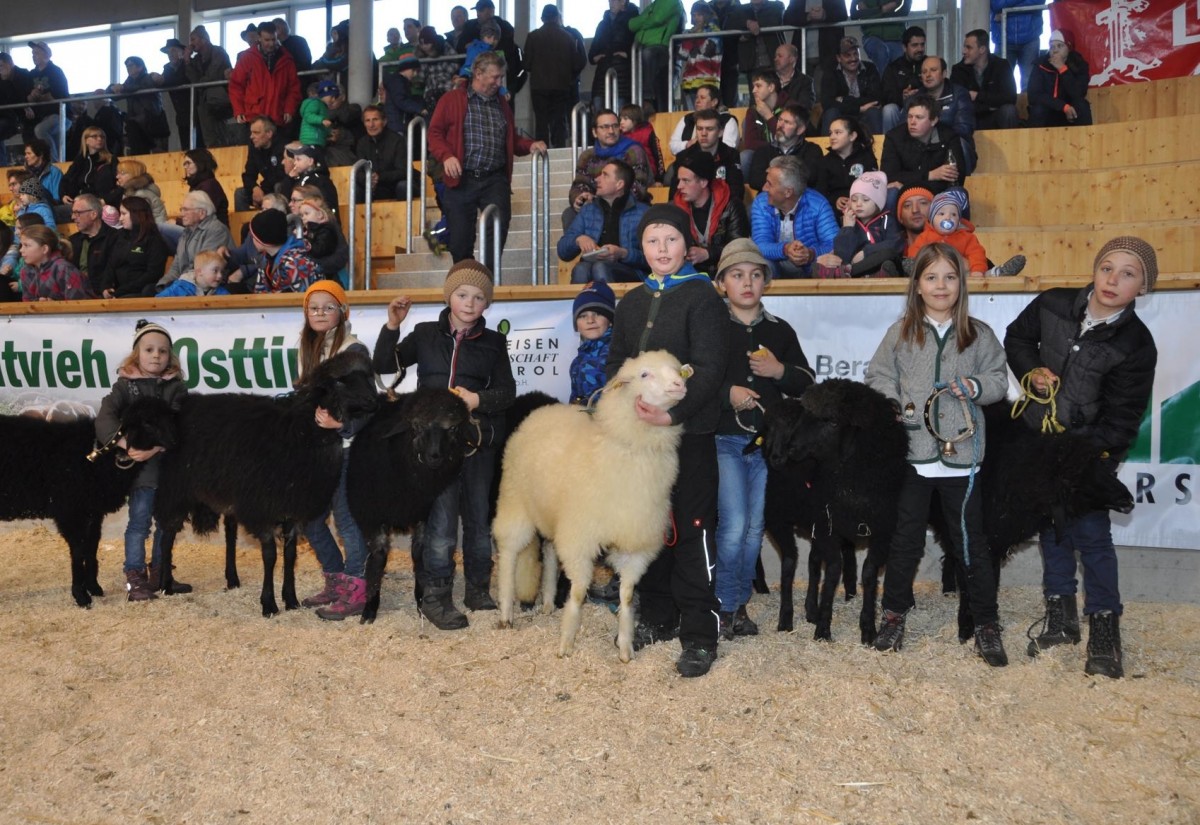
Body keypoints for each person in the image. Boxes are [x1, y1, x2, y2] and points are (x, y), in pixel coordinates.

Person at [1005, 237, 1158, 678]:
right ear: (1094, 269)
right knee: (1052, 530)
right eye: (1107, 267)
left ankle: (1105, 629)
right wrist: (1031, 371)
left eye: (1128, 274)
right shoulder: (1053, 302)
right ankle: (1061, 617)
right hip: (1040, 442)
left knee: (1092, 538)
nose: (1113, 279)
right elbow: (1017, 337)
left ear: (1143, 287)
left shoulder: (1137, 344)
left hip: (1088, 454)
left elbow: (1123, 417)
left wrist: (1087, 463)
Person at [865, 242, 1009, 667]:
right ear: (917, 285)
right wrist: (893, 404)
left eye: (949, 277)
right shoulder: (901, 332)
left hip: (963, 457)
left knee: (970, 542)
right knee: (905, 541)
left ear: (961, 284)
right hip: (915, 455)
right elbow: (879, 374)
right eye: (931, 277)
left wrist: (976, 387)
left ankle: (986, 623)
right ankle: (894, 615)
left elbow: (999, 380)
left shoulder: (979, 334)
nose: (941, 285)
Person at [605, 203, 730, 678]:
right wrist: (622, 412)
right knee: (647, 525)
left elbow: (711, 367)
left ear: (686, 245)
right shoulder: (631, 302)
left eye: (671, 239)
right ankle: (658, 615)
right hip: (640, 443)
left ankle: (700, 633)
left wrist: (672, 413)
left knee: (693, 528)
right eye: (652, 241)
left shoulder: (702, 297)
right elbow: (617, 364)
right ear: (640, 247)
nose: (662, 249)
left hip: (688, 435)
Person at [371, 261, 516, 629]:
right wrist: (392, 325)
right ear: (449, 296)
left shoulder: (494, 343)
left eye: (479, 298)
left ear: (487, 304)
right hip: (435, 448)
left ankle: (478, 588)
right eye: (462, 294)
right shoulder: (423, 333)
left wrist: (477, 400)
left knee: (479, 518)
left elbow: (507, 392)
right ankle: (436, 596)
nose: (469, 303)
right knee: (442, 522)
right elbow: (384, 364)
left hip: (476, 443)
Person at [713, 238, 813, 638]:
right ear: (722, 283)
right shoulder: (712, 327)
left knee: (755, 528)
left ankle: (737, 606)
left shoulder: (779, 330)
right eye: (737, 275)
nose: (747, 283)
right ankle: (723, 606)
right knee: (735, 524)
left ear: (766, 282)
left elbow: (806, 382)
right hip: (723, 440)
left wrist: (778, 372)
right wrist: (727, 394)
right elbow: (692, 378)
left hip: (769, 447)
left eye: (755, 275)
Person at [293, 280, 376, 619]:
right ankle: (336, 579)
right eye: (313, 308)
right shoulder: (305, 349)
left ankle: (358, 589)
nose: (320, 313)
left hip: (347, 447)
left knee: (346, 520)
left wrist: (341, 425)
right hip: (316, 449)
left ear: (343, 312)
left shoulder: (354, 351)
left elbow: (368, 405)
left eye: (329, 307)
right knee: (310, 518)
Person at [95, 320, 190, 600]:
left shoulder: (176, 388)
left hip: (170, 469)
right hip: (141, 473)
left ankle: (161, 572)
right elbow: (104, 418)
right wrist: (126, 444)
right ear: (137, 354)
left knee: (167, 522)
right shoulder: (125, 387)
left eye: (162, 351)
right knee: (139, 523)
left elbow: (181, 423)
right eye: (149, 350)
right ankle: (135, 577)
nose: (156, 356)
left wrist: (156, 447)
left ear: (170, 356)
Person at [429, 51, 547, 263]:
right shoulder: (451, 99)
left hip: (494, 178)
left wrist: (530, 145)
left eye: (501, 77)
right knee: (460, 240)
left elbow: (511, 140)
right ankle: (466, 277)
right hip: (461, 177)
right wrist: (447, 156)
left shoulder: (502, 104)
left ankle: (489, 275)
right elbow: (434, 134)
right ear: (478, 73)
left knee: (498, 227)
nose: (499, 83)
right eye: (495, 77)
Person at [558, 159, 649, 284]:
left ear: (619, 184)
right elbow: (562, 252)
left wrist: (623, 254)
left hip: (631, 272)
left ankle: (605, 297)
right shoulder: (588, 210)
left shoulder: (643, 213)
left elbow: (652, 258)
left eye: (605, 175)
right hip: (591, 267)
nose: (597, 179)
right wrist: (578, 239)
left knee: (600, 267)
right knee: (581, 269)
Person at [749, 154, 839, 278]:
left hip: (811, 268)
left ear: (788, 192)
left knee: (830, 263)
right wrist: (786, 249)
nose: (764, 188)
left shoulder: (818, 205)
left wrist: (811, 254)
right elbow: (760, 245)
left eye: (769, 184)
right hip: (775, 265)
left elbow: (835, 244)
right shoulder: (761, 202)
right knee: (761, 266)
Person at [906, 187, 1026, 277]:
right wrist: (915, 265)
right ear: (931, 220)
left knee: (982, 276)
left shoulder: (967, 237)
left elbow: (976, 254)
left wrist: (977, 270)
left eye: (953, 215)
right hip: (934, 276)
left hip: (963, 277)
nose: (948, 217)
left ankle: (998, 274)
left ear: (959, 222)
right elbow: (915, 253)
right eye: (941, 214)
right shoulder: (925, 237)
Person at [672, 150, 750, 278]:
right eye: (679, 180)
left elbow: (739, 247)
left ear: (703, 182)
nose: (679, 186)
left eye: (686, 181)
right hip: (689, 275)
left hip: (726, 272)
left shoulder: (731, 205)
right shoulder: (675, 208)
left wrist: (708, 253)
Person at [568, 109, 653, 222]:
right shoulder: (587, 156)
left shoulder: (633, 151)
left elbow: (638, 188)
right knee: (569, 214)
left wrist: (606, 203)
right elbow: (580, 184)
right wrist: (580, 197)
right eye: (605, 127)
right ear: (594, 132)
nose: (611, 131)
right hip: (596, 206)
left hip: (629, 206)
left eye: (615, 126)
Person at [816, 170, 903, 277]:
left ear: (878, 203)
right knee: (818, 264)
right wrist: (847, 228)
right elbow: (842, 256)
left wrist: (865, 252)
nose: (858, 204)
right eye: (854, 200)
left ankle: (848, 273)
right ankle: (848, 272)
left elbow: (896, 245)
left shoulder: (887, 220)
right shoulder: (849, 221)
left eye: (865, 200)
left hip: (878, 266)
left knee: (888, 255)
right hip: (856, 270)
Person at [881, 94, 967, 200]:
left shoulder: (949, 136)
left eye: (919, 117)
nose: (912, 122)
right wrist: (930, 175)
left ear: (933, 120)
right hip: (905, 195)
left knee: (958, 192)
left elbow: (955, 177)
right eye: (910, 116)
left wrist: (912, 185)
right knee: (891, 192)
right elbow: (889, 176)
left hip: (938, 196)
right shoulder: (894, 137)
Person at [524, 4, 587, 148]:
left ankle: (542, 151)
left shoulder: (533, 37)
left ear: (542, 18)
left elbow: (526, 64)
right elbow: (577, 63)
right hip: (562, 85)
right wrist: (570, 76)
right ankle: (559, 149)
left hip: (539, 86)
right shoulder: (568, 37)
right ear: (557, 17)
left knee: (541, 121)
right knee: (559, 121)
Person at [229, 20, 301, 144]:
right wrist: (238, 110)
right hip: (253, 116)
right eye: (267, 40)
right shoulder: (247, 58)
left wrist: (289, 109)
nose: (271, 43)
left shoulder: (287, 59)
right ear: (259, 38)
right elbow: (236, 85)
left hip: (277, 116)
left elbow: (293, 88)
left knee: (277, 152)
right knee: (254, 153)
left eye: (274, 39)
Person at [159, 191, 235, 289]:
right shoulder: (186, 232)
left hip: (208, 287)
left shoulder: (216, 230)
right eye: (182, 209)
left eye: (186, 210)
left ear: (202, 213)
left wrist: (177, 285)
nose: (181, 214)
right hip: (186, 282)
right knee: (152, 291)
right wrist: (163, 284)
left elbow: (202, 268)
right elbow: (176, 266)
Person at [234, 208, 320, 293]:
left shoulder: (297, 264)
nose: (251, 239)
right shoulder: (266, 259)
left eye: (253, 236)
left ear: (262, 241)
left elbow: (300, 298)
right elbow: (260, 291)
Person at [914, 56, 977, 174]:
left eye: (933, 70)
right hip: (923, 149)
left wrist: (935, 138)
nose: (928, 75)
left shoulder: (959, 94)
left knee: (960, 143)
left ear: (944, 74)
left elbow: (964, 128)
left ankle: (959, 182)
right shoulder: (915, 98)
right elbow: (903, 129)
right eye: (924, 72)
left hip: (951, 147)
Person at [99, 196, 170, 298]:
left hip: (139, 293)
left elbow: (153, 274)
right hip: (117, 292)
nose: (120, 219)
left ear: (136, 214)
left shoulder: (154, 240)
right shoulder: (118, 236)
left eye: (124, 214)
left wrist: (121, 291)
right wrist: (106, 286)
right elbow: (110, 265)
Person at [666, 108, 744, 201]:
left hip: (722, 205)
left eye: (709, 129)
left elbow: (736, 191)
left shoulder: (730, 155)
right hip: (690, 206)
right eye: (699, 129)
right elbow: (674, 194)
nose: (703, 133)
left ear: (720, 132)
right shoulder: (683, 156)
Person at [952, 29, 1018, 130]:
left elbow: (1010, 97)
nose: (964, 51)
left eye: (968, 47)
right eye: (964, 47)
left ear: (982, 49)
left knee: (1009, 110)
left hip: (995, 117)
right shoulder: (958, 70)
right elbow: (958, 101)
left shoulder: (1001, 65)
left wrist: (977, 96)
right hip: (972, 117)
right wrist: (988, 106)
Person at [747, 102, 822, 191]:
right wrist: (792, 174)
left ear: (800, 129)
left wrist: (772, 173)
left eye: (787, 122)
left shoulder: (812, 150)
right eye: (780, 120)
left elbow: (809, 179)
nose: (780, 125)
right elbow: (755, 180)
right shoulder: (763, 150)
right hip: (768, 198)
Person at [819, 37, 884, 136]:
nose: (853, 59)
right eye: (847, 55)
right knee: (830, 113)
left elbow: (876, 98)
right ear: (838, 58)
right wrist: (859, 108)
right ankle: (826, 145)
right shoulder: (831, 72)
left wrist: (843, 99)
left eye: (856, 54)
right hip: (842, 115)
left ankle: (877, 145)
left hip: (864, 114)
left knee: (873, 112)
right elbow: (827, 103)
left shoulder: (870, 68)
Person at [1028, 29, 1092, 128]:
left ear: (1069, 47)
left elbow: (1079, 94)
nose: (1055, 50)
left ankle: (1086, 138)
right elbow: (1034, 96)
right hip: (1050, 111)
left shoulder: (1079, 64)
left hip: (1070, 113)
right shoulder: (1040, 65)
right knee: (1038, 110)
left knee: (1082, 105)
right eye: (1052, 47)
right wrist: (1062, 106)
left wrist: (1063, 69)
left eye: (1060, 46)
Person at [183, 26, 235, 148]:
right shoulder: (197, 59)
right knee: (210, 135)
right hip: (206, 101)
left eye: (193, 39)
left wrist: (200, 83)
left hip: (222, 97)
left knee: (221, 133)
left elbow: (214, 75)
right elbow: (193, 80)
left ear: (204, 39)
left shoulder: (218, 51)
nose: (191, 44)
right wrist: (187, 61)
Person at [814, 116, 879, 212]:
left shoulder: (866, 157)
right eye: (830, 133)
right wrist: (835, 201)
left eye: (838, 132)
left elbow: (874, 187)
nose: (832, 137)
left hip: (863, 207)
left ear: (852, 136)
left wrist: (855, 200)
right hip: (834, 211)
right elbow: (821, 192)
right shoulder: (825, 161)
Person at [629, 0, 685, 113]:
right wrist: (650, 21)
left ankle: (648, 99)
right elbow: (631, 24)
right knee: (653, 76)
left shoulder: (672, 2)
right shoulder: (653, 5)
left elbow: (657, 19)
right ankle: (648, 102)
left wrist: (644, 23)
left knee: (660, 80)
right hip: (646, 46)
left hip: (662, 46)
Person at [568, 280, 617, 405]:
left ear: (610, 320)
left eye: (598, 314)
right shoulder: (577, 361)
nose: (590, 320)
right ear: (576, 324)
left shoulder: (617, 352)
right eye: (582, 316)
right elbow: (574, 400)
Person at [19, 225, 94, 301]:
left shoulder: (64, 269)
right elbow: (27, 302)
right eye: (21, 245)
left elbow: (78, 303)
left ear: (44, 249)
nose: (21, 250)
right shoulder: (25, 271)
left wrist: (55, 305)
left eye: (26, 245)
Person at [111, 56, 168, 155]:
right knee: (138, 155)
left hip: (153, 123)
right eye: (127, 66)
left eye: (131, 65)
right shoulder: (128, 82)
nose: (128, 68)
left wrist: (123, 88)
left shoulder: (148, 77)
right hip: (137, 125)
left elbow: (144, 86)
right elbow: (115, 95)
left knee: (158, 155)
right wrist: (112, 88)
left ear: (140, 67)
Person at [24, 41, 70, 162]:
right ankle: (56, 164)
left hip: (60, 115)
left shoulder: (56, 72)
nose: (34, 56)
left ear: (47, 54)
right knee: (50, 139)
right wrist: (32, 95)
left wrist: (41, 96)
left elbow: (60, 95)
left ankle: (53, 162)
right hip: (42, 117)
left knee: (40, 130)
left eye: (37, 53)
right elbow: (27, 97)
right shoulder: (31, 74)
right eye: (33, 53)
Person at [588, 0, 638, 112]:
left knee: (620, 108)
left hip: (622, 72)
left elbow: (637, 43)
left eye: (614, 0)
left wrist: (627, 54)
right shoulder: (602, 24)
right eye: (610, 0)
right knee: (599, 107)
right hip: (602, 71)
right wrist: (595, 57)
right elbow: (592, 50)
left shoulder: (632, 21)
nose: (611, 3)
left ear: (623, 2)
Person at [355, 105, 409, 202]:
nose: (371, 125)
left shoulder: (397, 140)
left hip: (393, 186)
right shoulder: (362, 143)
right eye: (367, 121)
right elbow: (359, 172)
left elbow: (403, 171)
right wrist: (368, 178)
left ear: (384, 121)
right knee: (355, 190)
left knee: (403, 186)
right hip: (373, 187)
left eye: (375, 119)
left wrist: (379, 177)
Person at [60, 127, 118, 216]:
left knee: (55, 212)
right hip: (79, 201)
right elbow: (66, 179)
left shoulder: (111, 160)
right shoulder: (80, 160)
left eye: (102, 137)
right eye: (94, 136)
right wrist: (63, 195)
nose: (99, 139)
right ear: (86, 140)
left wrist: (106, 199)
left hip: (99, 202)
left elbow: (120, 185)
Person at [68, 193, 119, 293]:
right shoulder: (73, 240)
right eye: (73, 213)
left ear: (93, 214)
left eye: (77, 213)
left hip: (104, 295)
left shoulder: (115, 238)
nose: (73, 217)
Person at [667, 85, 739, 154]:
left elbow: (729, 149)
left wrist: (704, 147)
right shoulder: (687, 119)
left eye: (702, 98)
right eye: (697, 97)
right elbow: (673, 146)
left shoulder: (727, 121)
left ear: (714, 102)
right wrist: (687, 144)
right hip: (687, 160)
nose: (697, 101)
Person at [880, 27, 927, 133]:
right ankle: (889, 141)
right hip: (900, 108)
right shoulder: (893, 67)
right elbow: (885, 96)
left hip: (924, 107)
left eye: (922, 44)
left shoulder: (929, 64)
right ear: (904, 47)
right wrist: (902, 97)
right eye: (915, 45)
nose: (920, 49)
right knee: (889, 109)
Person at [235, 117, 288, 211]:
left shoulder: (283, 146)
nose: (251, 136)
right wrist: (254, 188)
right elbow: (248, 175)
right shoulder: (254, 148)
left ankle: (280, 217)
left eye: (256, 133)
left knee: (279, 186)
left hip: (279, 187)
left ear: (269, 134)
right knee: (240, 194)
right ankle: (246, 221)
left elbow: (280, 176)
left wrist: (262, 193)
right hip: (265, 188)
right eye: (251, 132)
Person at [677, 2, 723, 110]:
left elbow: (707, 50)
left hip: (708, 80)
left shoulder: (714, 30)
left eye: (699, 15)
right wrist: (693, 36)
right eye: (694, 15)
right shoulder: (688, 32)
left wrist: (694, 37)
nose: (696, 18)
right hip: (689, 82)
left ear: (706, 15)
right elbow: (682, 53)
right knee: (691, 115)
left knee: (707, 114)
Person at [991, 0, 1044, 91]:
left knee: (1029, 84)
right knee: (1000, 84)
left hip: (1029, 38)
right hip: (1003, 38)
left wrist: (1006, 11)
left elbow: (1038, 1)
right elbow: (996, 4)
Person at [851, 0, 912, 77]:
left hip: (896, 37)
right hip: (871, 36)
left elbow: (904, 11)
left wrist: (870, 13)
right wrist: (883, 9)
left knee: (901, 66)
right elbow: (854, 15)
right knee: (881, 53)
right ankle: (885, 83)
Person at [155, 38, 195, 150]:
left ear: (181, 51)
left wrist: (163, 81)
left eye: (173, 50)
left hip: (195, 110)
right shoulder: (167, 68)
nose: (170, 54)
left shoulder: (189, 63)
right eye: (168, 52)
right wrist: (155, 78)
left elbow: (184, 79)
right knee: (185, 145)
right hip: (181, 114)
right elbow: (163, 82)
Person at [278, 144, 339, 216]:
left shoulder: (321, 181)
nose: (295, 163)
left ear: (310, 161)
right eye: (295, 159)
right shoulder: (299, 179)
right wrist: (290, 179)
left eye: (298, 159)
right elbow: (284, 199)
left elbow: (328, 207)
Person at [741, 70, 784, 171]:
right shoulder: (752, 111)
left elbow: (786, 138)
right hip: (762, 154)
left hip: (786, 153)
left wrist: (769, 116)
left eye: (758, 86)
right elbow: (750, 144)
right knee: (745, 156)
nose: (753, 90)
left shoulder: (788, 107)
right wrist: (773, 145)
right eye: (753, 86)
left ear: (771, 87)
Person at [0, 53, 33, 166]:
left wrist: (26, 106)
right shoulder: (1, 79)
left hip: (22, 116)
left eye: (1, 66)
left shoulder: (23, 75)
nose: (0, 70)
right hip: (8, 115)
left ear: (10, 64)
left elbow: (24, 95)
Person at [619, 104, 665, 183]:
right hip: (626, 174)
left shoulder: (648, 132)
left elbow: (658, 156)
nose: (621, 122)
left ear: (635, 120)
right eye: (620, 119)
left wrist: (659, 179)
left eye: (625, 119)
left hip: (647, 173)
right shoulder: (620, 135)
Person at [381, 56, 427, 135]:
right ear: (405, 69)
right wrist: (418, 109)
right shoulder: (397, 82)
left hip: (397, 122)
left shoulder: (398, 81)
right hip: (397, 123)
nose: (415, 74)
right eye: (413, 70)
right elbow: (401, 100)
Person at [183, 148, 230, 225]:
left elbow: (199, 216)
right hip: (198, 229)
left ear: (199, 163)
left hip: (212, 231)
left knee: (164, 228)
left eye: (188, 163)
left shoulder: (210, 185)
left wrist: (177, 222)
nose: (185, 167)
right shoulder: (197, 184)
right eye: (185, 164)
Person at [157, 248, 230, 297]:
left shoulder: (221, 292)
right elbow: (158, 301)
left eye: (222, 272)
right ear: (199, 272)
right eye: (215, 271)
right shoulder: (180, 287)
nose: (220, 276)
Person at [115, 159, 169, 224]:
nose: (117, 176)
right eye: (117, 173)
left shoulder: (140, 195)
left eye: (122, 173)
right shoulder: (131, 192)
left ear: (134, 174)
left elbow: (140, 223)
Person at [298, 79, 339, 146]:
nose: (333, 100)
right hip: (310, 139)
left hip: (318, 140)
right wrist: (321, 120)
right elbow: (308, 116)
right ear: (324, 94)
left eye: (335, 98)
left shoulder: (323, 107)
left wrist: (330, 132)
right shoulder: (315, 103)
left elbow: (322, 126)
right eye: (332, 97)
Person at [895, 183, 933, 249]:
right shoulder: (889, 251)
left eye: (923, 203)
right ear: (900, 217)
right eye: (907, 205)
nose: (915, 210)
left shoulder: (948, 248)